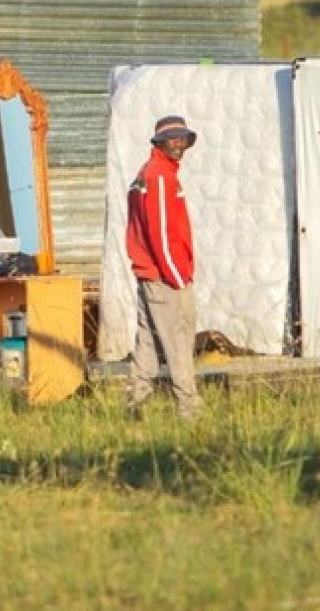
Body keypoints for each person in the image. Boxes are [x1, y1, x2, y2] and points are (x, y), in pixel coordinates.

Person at [125, 115, 204, 421]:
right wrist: (176, 275)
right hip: (163, 275)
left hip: (150, 273)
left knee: (147, 342)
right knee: (179, 342)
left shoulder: (150, 173)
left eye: (182, 138)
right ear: (160, 142)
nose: (179, 144)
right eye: (173, 138)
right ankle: (189, 409)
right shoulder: (159, 176)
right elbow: (160, 232)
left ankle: (135, 406)